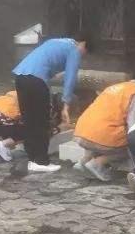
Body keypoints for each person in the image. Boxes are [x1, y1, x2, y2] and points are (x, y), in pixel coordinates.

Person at [11, 33, 91, 173]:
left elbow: (46, 63)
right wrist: (66, 105)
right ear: (83, 44)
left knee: (29, 120)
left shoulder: (56, 41)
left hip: (21, 77)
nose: (83, 54)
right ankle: (41, 161)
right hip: (36, 81)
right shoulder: (75, 49)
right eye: (86, 51)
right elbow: (70, 79)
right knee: (42, 121)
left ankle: (33, 158)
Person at [73, 63, 135, 181]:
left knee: (102, 128)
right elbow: (134, 125)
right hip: (101, 137)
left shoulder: (116, 87)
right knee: (133, 145)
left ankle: (83, 161)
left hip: (81, 132)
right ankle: (97, 163)